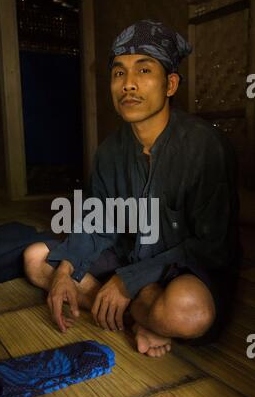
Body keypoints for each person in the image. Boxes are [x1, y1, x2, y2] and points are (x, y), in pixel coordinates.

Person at [23, 20, 240, 358]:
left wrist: (128, 281)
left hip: (180, 270)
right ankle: (138, 318)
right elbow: (99, 221)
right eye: (119, 73)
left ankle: (131, 307)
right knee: (36, 259)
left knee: (188, 312)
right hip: (127, 254)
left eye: (143, 71)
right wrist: (66, 271)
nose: (129, 85)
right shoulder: (110, 150)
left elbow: (212, 247)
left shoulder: (205, 146)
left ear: (169, 84)